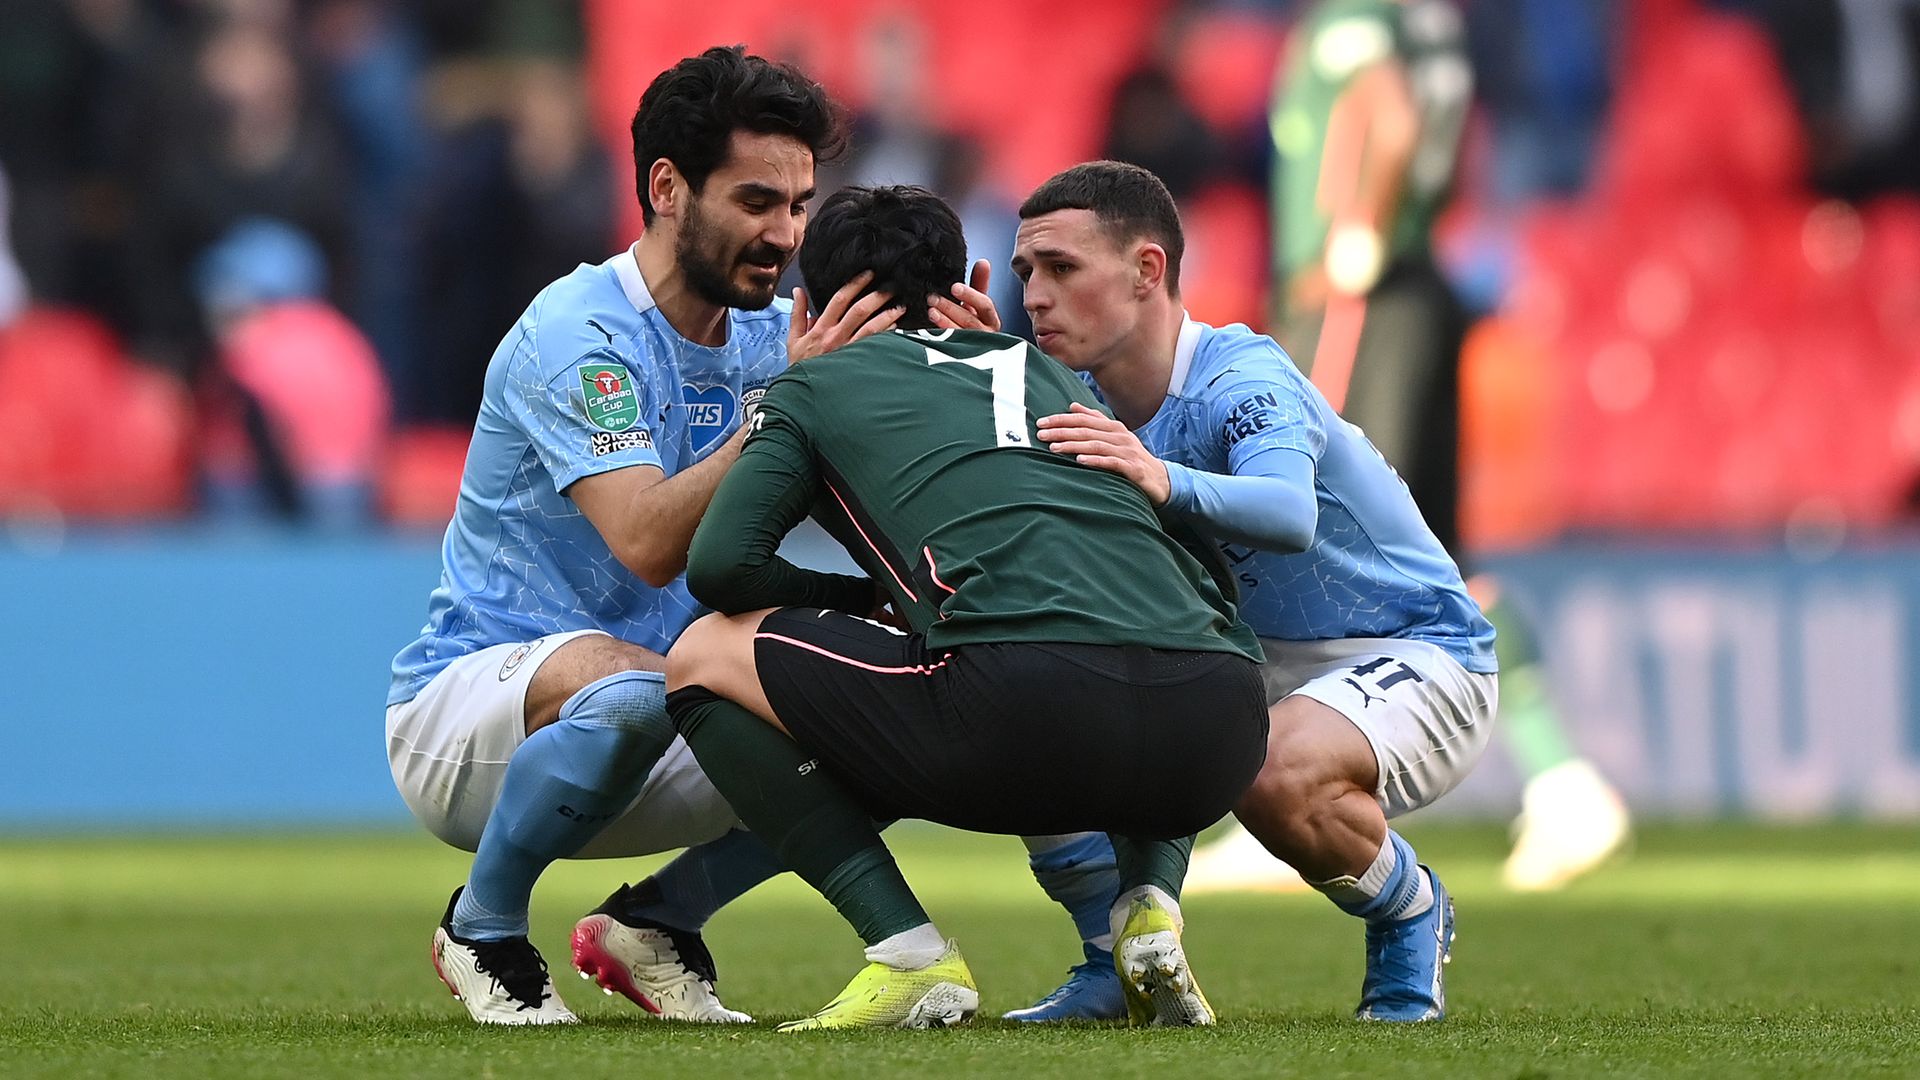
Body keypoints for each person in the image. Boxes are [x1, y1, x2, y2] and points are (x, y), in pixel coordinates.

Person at [661, 184, 1271, 1031]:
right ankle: (1150, 909)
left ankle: (907, 952)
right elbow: (1200, 569)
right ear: (974, 277)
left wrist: (865, 599)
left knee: (700, 655)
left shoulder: (816, 384)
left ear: (807, 303)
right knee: (1157, 633)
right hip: (1223, 727)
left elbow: (722, 567)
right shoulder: (1054, 371)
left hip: (1019, 714)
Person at [385, 45, 908, 1026]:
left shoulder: (766, 335)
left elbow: (853, 505)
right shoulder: (579, 334)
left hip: (665, 708)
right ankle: (483, 927)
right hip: (478, 712)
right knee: (634, 689)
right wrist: (788, 408)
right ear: (667, 187)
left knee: (906, 717)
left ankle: (659, 922)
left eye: (799, 205)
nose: (785, 234)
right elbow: (646, 543)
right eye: (757, 201)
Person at [1009, 160, 1496, 1022]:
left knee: (1268, 770)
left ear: (1147, 271)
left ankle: (1409, 908)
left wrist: (1162, 477)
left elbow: (1287, 511)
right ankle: (1108, 958)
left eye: (1061, 268)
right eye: (1025, 274)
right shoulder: (1072, 397)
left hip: (1415, 652)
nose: (1036, 296)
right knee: (1032, 715)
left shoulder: (1239, 376)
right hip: (1247, 669)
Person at [1234, 0, 1628, 896]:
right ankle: (1564, 780)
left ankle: (1282, 795)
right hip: (1421, 290)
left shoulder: (1357, 21)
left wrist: (1355, 231)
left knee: (1291, 528)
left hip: (1357, 296)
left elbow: (1386, 107)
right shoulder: (1432, 23)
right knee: (1433, 562)